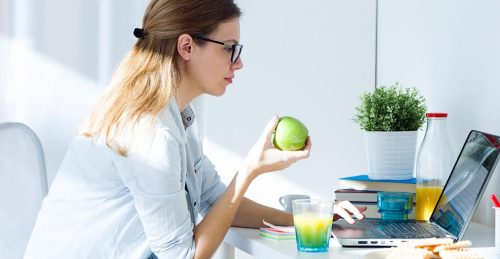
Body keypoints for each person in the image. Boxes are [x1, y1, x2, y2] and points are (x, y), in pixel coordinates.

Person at [24, 0, 365, 258]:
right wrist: (248, 170)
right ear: (186, 47)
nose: (239, 62)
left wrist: (311, 219)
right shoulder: (151, 132)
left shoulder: (176, 117)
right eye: (230, 48)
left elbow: (215, 200)